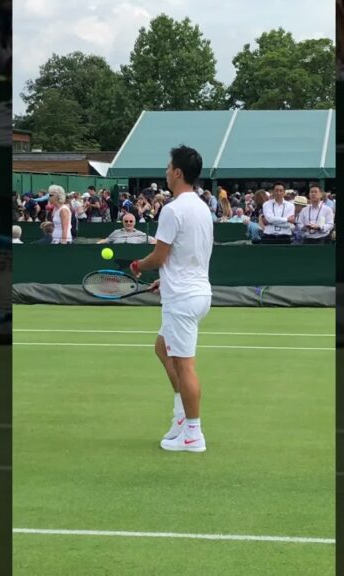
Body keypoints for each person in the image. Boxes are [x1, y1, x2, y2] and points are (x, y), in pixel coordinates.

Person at [128, 145, 213, 453]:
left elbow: (159, 256)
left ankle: (193, 434)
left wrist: (138, 266)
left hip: (183, 298)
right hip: (196, 292)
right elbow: (189, 254)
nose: (165, 172)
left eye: (168, 167)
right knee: (162, 348)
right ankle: (181, 418)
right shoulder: (202, 208)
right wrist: (165, 280)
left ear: (178, 172)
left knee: (185, 365)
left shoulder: (173, 209)